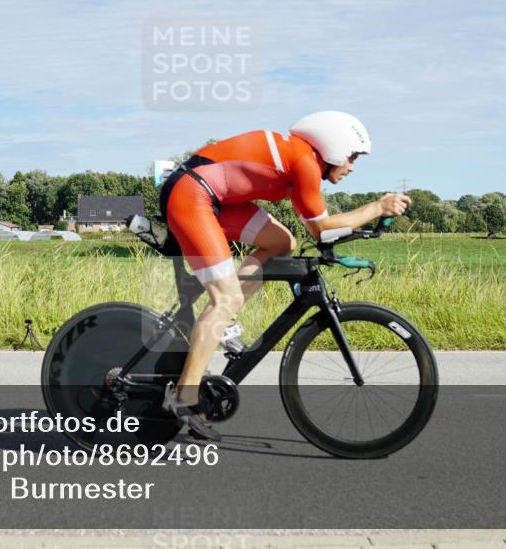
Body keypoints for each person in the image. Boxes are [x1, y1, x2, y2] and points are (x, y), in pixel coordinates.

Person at [159, 111, 412, 440]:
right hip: (191, 195)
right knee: (225, 300)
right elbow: (321, 230)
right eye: (351, 157)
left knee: (282, 243)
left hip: (211, 196)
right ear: (334, 146)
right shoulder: (304, 163)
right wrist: (376, 208)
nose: (351, 167)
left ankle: (223, 321)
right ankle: (183, 398)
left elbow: (318, 231)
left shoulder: (301, 160)